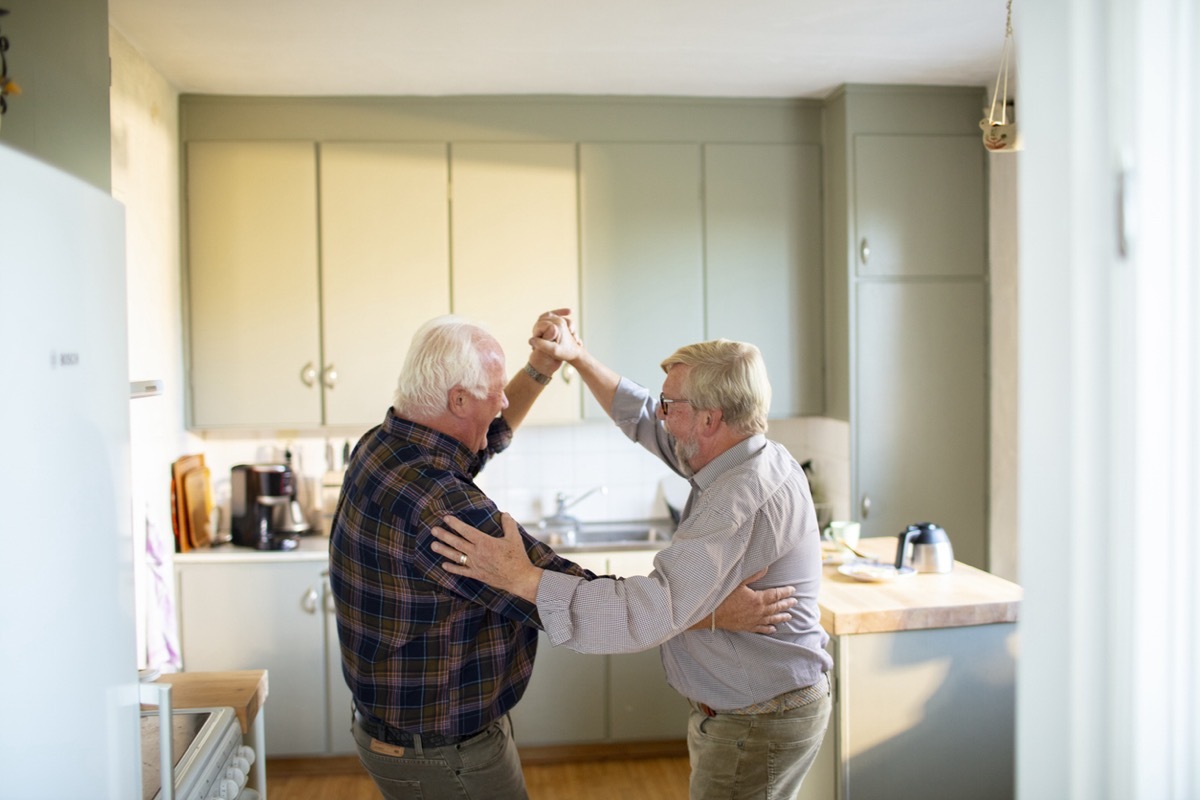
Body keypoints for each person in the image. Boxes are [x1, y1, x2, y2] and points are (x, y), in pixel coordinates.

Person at [328, 312, 799, 800]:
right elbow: (593, 604)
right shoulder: (444, 507)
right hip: (446, 755)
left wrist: (542, 368)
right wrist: (711, 614)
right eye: (495, 390)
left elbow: (485, 433)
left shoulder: (387, 445)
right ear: (459, 400)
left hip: (411, 735)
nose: (505, 400)